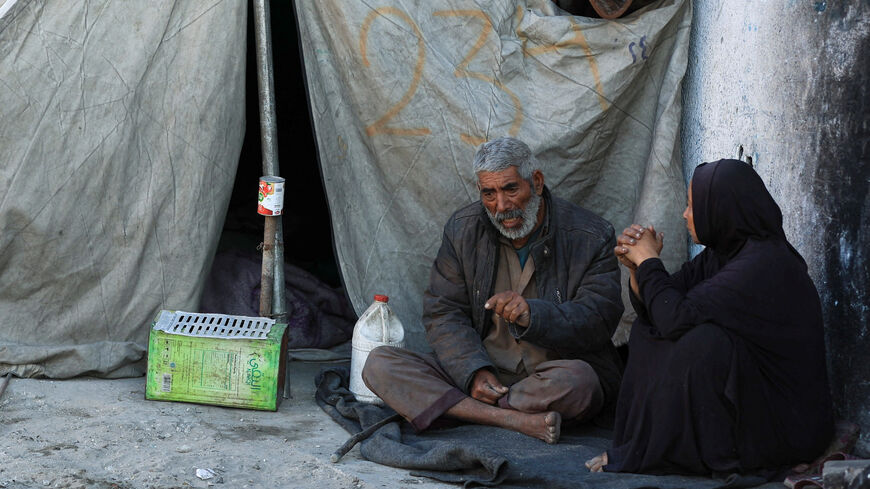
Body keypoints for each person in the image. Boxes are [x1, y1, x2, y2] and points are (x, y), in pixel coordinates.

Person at [362, 137, 624, 444]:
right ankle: (513, 420)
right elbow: (443, 312)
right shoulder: (463, 230)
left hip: (549, 377)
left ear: (536, 182)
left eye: (511, 189)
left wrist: (533, 314)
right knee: (380, 364)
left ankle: (461, 411)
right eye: (489, 193)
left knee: (580, 383)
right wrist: (473, 371)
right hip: (483, 371)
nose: (501, 206)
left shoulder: (589, 235)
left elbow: (598, 318)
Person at [586, 159, 834, 476]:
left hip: (787, 424)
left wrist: (650, 262)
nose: (685, 214)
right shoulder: (722, 254)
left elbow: (674, 317)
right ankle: (645, 444)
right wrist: (637, 270)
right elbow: (659, 309)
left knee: (703, 343)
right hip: (753, 403)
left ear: (720, 209)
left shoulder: (763, 264)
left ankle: (660, 450)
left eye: (692, 205)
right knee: (649, 331)